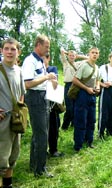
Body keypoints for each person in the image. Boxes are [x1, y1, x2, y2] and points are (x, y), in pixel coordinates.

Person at [22, 35, 56, 178]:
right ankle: (40, 170)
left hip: (43, 96)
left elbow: (40, 79)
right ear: (38, 45)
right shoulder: (29, 61)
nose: (48, 49)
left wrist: (51, 79)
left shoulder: (40, 61)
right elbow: (27, 83)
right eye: (46, 46)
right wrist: (46, 77)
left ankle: (34, 164)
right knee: (42, 134)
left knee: (39, 132)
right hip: (35, 98)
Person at [0, 38, 25, 188]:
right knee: (0, 159)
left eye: (13, 49)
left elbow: (22, 93)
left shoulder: (19, 71)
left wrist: (19, 112)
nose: (9, 52)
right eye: (6, 48)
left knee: (12, 157)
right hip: (2, 122)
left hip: (15, 121)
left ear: (18, 52)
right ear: (1, 51)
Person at [72, 47, 100, 151]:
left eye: (96, 53)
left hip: (92, 95)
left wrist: (98, 87)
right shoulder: (84, 65)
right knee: (81, 120)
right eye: (93, 52)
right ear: (89, 53)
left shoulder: (97, 67)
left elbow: (98, 80)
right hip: (82, 95)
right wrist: (86, 88)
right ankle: (78, 145)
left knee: (91, 120)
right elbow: (75, 80)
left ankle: (89, 141)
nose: (95, 55)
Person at [60, 49, 88, 131]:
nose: (72, 57)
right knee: (69, 107)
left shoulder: (78, 64)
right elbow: (61, 51)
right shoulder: (65, 63)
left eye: (73, 56)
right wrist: (66, 53)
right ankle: (65, 126)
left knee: (76, 106)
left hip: (76, 86)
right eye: (70, 55)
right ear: (67, 56)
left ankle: (73, 123)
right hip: (68, 85)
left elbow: (88, 58)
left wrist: (78, 55)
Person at [42, 54, 64, 158]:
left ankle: (53, 149)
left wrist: (47, 79)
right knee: (42, 128)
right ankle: (43, 150)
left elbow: (54, 82)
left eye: (44, 58)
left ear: (48, 58)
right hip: (40, 102)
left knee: (54, 127)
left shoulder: (52, 69)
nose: (42, 61)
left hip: (51, 103)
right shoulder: (37, 70)